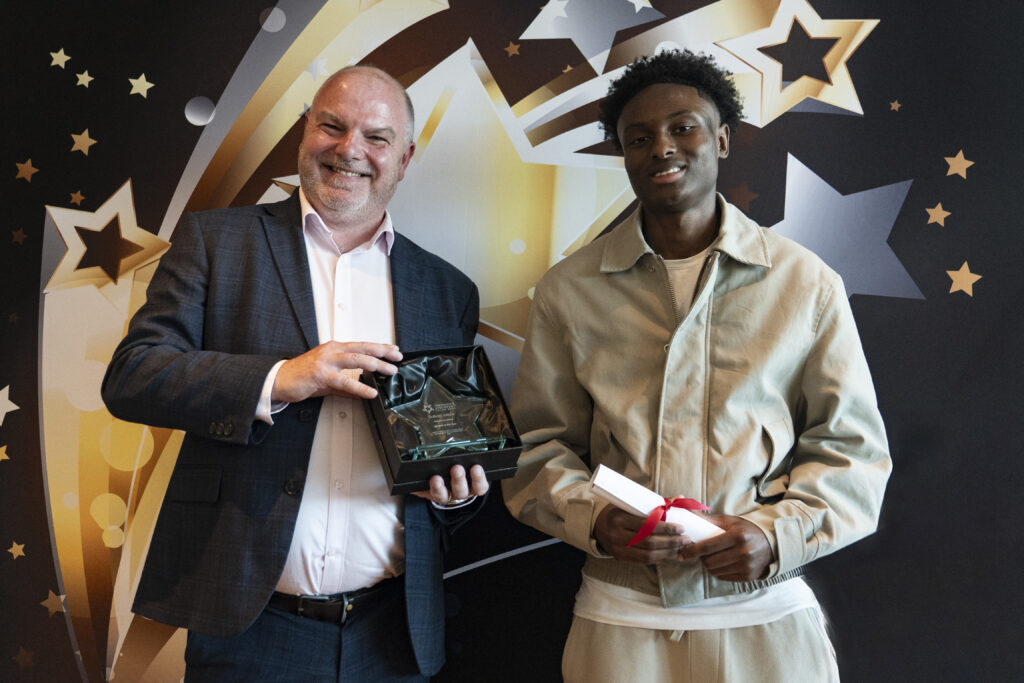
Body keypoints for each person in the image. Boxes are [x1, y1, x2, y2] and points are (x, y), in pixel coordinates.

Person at [503, 49, 891, 682]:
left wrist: (777, 537)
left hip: (765, 623)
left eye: (682, 127)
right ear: (623, 155)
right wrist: (595, 519)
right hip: (620, 622)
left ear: (722, 139)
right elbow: (535, 448)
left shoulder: (804, 283)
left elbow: (853, 451)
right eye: (638, 138)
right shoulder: (569, 290)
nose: (662, 147)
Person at [102, 65, 488, 682]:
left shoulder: (447, 289)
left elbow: (447, 460)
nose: (350, 150)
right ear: (304, 132)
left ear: (405, 158)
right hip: (251, 629)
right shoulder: (215, 240)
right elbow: (133, 375)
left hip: (394, 635)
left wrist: (456, 491)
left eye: (376, 137)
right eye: (332, 126)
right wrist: (281, 379)